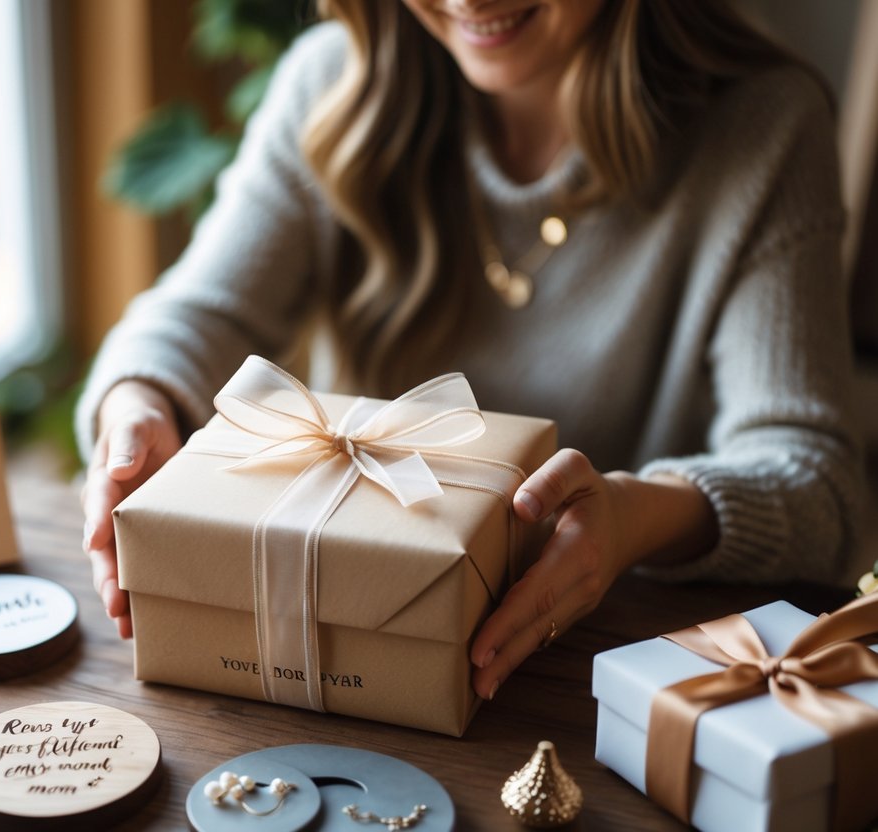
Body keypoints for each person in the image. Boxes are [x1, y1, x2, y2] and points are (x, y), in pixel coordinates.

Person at [77, 0, 862, 703]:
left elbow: (816, 486)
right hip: (345, 646)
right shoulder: (332, 85)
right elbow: (192, 317)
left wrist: (632, 519)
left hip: (611, 684)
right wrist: (136, 405)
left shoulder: (763, 126)